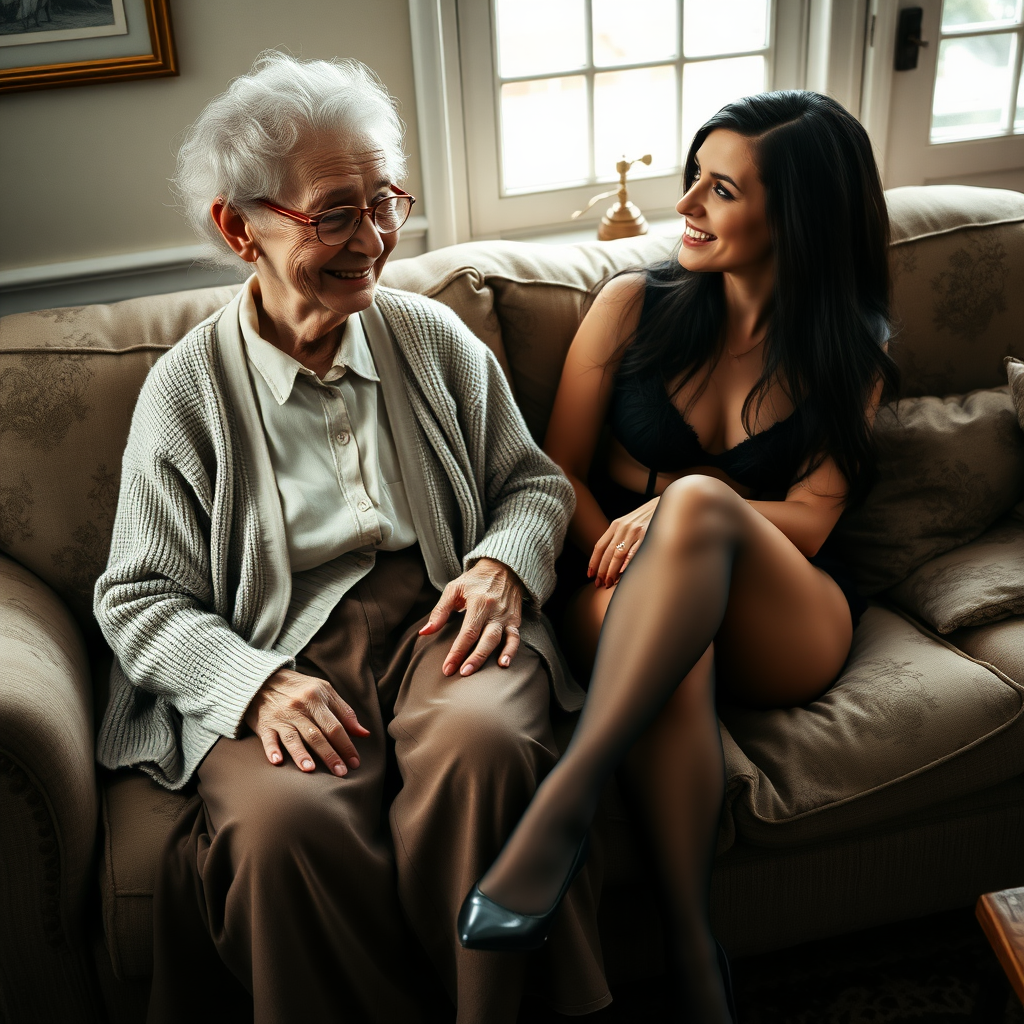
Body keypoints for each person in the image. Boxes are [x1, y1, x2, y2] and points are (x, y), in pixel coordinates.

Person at [93, 52, 611, 1024]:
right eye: (335, 212)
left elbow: (530, 485)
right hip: (274, 644)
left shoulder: (430, 338)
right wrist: (252, 686)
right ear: (238, 225)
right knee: (284, 826)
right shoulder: (186, 390)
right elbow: (138, 597)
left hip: (438, 615)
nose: (373, 238)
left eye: (386, 202)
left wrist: (502, 562)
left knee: (488, 745)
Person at [458, 91, 899, 1022]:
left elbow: (814, 525)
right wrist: (636, 547)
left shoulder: (846, 351)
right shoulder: (632, 307)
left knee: (697, 499)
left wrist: (670, 507)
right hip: (621, 594)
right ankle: (698, 958)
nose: (686, 205)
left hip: (789, 615)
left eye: (721, 188)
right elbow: (555, 473)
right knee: (670, 636)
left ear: (798, 217)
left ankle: (564, 803)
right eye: (693, 176)